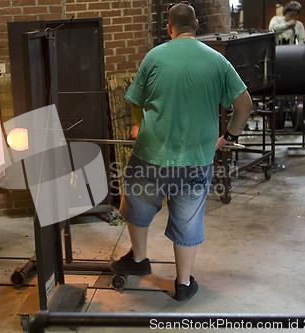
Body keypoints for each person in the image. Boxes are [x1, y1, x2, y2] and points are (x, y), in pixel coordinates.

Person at [110, 2, 253, 301]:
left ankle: (138, 260)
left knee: (137, 203)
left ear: (168, 28)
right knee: (188, 220)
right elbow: (244, 105)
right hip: (195, 159)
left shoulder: (155, 56)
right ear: (197, 25)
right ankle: (184, 284)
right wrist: (228, 136)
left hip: (150, 153)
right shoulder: (217, 61)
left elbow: (135, 100)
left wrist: (140, 125)